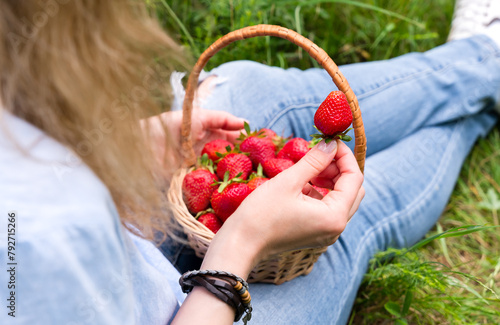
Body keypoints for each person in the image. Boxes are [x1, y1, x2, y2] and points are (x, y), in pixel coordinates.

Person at [0, 0, 498, 324]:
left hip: (129, 252)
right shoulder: (42, 247)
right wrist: (241, 242)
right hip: (193, 311)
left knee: (245, 91)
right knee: (349, 217)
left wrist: (123, 150)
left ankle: (480, 63)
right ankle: (482, 83)